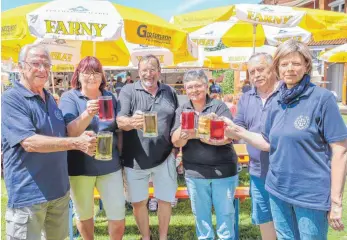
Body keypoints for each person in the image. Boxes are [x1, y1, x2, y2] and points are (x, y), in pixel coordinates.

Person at [226, 39, 347, 239]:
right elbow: (267, 142)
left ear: (307, 66)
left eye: (296, 63)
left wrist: (336, 202)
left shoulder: (322, 99)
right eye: (284, 64)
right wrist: (235, 130)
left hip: (310, 195)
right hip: (277, 190)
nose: (290, 69)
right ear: (278, 68)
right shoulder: (278, 101)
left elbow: (340, 151)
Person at [1, 44, 96, 240]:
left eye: (47, 64)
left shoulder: (50, 99)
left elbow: (62, 133)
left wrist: (81, 133)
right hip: (28, 195)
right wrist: (75, 143)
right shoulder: (11, 99)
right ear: (20, 67)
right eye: (35, 63)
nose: (43, 69)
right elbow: (29, 142)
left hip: (59, 192)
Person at [59, 56, 125, 240]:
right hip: (80, 168)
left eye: (96, 72)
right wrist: (88, 113)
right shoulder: (69, 98)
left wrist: (122, 158)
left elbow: (117, 129)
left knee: (118, 217)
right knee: (85, 215)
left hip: (109, 165)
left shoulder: (109, 96)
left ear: (102, 76)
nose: (92, 77)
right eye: (87, 72)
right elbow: (69, 132)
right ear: (78, 75)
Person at [117, 54, 178, 240]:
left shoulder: (169, 91)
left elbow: (176, 121)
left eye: (153, 70)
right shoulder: (128, 90)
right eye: (144, 70)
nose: (149, 74)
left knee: (165, 200)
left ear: (159, 72)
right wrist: (131, 122)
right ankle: (146, 237)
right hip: (135, 159)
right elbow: (120, 120)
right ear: (139, 72)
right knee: (138, 202)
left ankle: (163, 237)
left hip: (165, 157)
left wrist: (177, 151)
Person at [171, 69, 238, 240]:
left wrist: (196, 133)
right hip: (195, 172)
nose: (194, 90)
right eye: (190, 87)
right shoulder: (183, 109)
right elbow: (176, 142)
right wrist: (184, 132)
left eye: (198, 86)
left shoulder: (218, 107)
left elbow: (227, 137)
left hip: (223, 171)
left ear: (206, 85)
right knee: (201, 218)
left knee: (225, 216)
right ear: (185, 89)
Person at [233, 52, 278, 240]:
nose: (256, 75)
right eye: (252, 72)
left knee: (286, 217)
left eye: (261, 69)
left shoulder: (286, 93)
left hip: (284, 171)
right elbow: (239, 127)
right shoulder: (247, 97)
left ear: (273, 69)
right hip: (257, 170)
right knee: (264, 217)